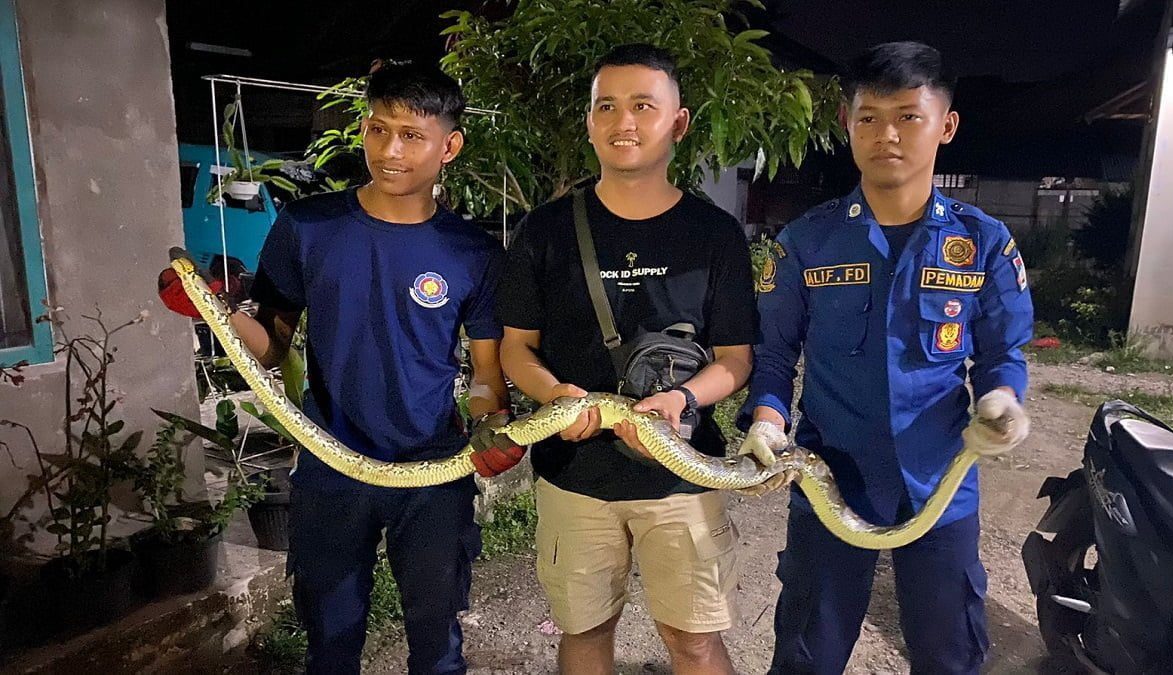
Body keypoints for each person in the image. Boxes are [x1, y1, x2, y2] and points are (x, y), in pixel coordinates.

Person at [157, 62, 524, 674]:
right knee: (330, 642)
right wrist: (213, 310)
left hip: (433, 473)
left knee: (436, 642)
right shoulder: (308, 228)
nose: (390, 150)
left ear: (450, 146)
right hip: (330, 467)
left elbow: (486, 371)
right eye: (379, 130)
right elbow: (271, 345)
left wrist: (493, 423)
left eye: (412, 135)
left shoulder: (474, 252)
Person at [737, 41, 1034, 674]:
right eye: (868, 117)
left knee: (949, 655)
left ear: (945, 126)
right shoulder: (807, 240)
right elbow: (774, 352)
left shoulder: (982, 242)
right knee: (806, 657)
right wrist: (765, 417)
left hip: (940, 481)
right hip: (829, 480)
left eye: (908, 116)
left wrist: (1002, 400)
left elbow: (1001, 351)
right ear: (847, 125)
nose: (886, 135)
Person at [496, 44, 757, 675]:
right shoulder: (546, 229)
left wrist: (684, 399)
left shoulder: (714, 233)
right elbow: (515, 348)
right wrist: (554, 394)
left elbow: (735, 359)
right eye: (606, 106)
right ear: (589, 122)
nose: (624, 122)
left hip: (682, 475)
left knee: (693, 639)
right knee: (585, 633)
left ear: (679, 121)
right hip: (573, 473)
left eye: (644, 105)